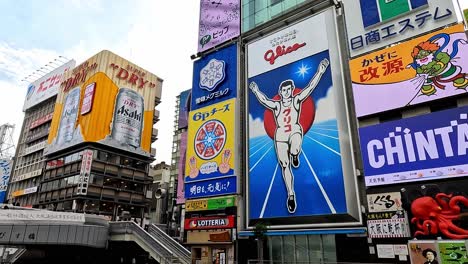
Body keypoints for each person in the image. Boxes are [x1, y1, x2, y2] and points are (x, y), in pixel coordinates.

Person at [249, 58, 329, 213]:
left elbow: (310, 87)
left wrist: (321, 70)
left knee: (295, 145)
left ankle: (295, 154)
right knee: (284, 166)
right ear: (280, 92)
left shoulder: (296, 100)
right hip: (280, 135)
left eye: (289, 89)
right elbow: (264, 99)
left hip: (294, 130)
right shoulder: (277, 105)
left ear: (292, 90)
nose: (286, 92)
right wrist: (255, 90)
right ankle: (291, 194)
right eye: (284, 90)